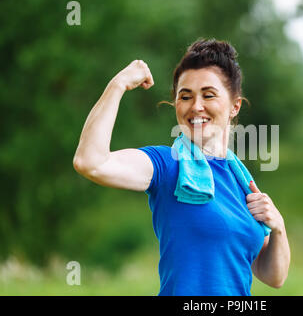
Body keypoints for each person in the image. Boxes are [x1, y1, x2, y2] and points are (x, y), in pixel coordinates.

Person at [73, 38, 290, 296]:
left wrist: (278, 227)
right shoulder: (167, 166)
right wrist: (117, 85)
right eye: (185, 96)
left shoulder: (241, 180)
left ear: (235, 106)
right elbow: (90, 163)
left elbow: (273, 276)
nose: (196, 106)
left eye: (208, 95)